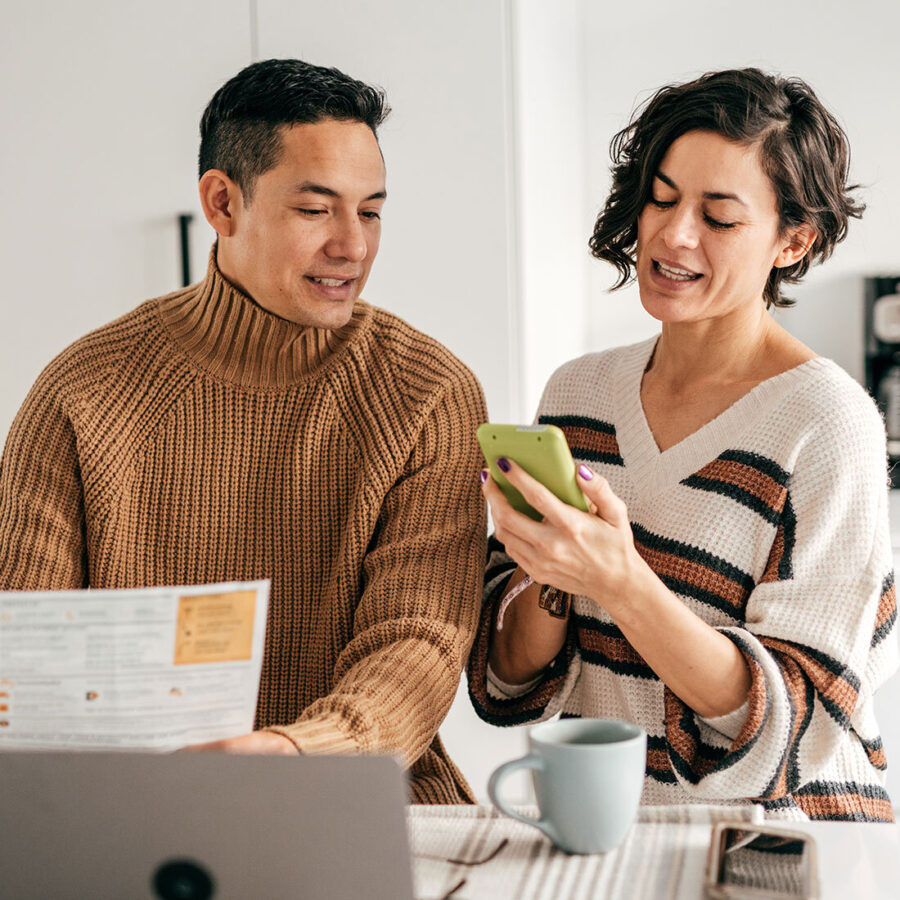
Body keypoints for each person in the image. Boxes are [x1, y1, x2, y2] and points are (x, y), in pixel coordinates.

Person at [0, 58, 488, 803]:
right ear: (223, 203)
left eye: (372, 210)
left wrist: (296, 752)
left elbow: (418, 645)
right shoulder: (81, 391)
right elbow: (25, 653)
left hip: (359, 796)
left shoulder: (428, 393)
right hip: (137, 809)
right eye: (316, 209)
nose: (353, 246)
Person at [468, 68, 898, 822]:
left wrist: (623, 582)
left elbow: (799, 725)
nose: (671, 233)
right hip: (607, 833)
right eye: (661, 197)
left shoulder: (826, 422)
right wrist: (556, 570)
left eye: (719, 217)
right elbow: (508, 679)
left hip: (775, 850)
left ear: (793, 240)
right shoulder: (577, 395)